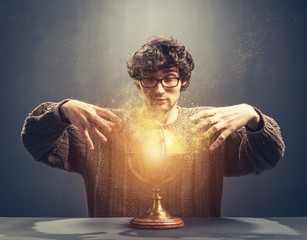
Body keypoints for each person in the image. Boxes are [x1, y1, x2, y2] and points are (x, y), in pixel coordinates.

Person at [21, 36, 285, 217]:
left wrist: (254, 118)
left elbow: (269, 157)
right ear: (138, 82)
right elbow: (34, 141)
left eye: (169, 79)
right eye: (149, 80)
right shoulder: (104, 125)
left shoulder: (208, 125)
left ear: (183, 81)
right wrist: (61, 110)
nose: (159, 90)